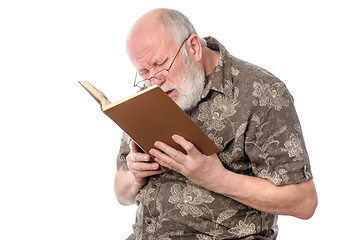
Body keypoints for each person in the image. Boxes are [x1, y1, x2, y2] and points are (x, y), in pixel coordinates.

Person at [114, 8, 317, 240]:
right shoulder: (149, 93)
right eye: (143, 71)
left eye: (161, 64)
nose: (154, 81)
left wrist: (217, 178)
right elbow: (121, 192)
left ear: (194, 47)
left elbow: (304, 201)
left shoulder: (261, 92)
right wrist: (134, 176)